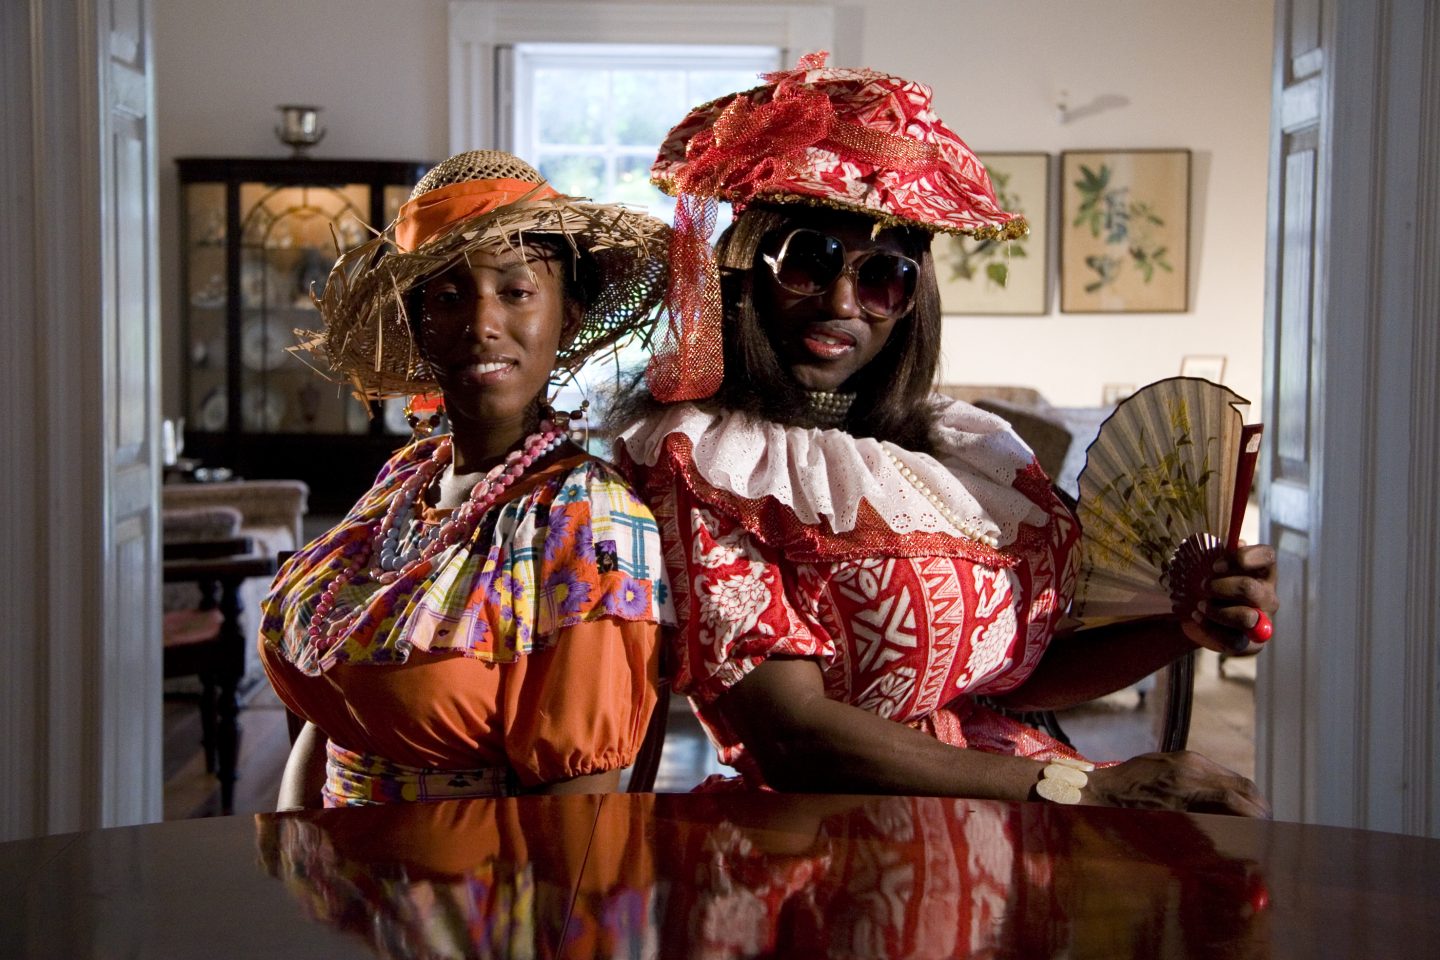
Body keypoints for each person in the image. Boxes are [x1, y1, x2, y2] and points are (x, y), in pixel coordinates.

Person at [611, 54, 1278, 814]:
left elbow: (1019, 668)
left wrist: (1185, 626)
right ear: (744, 270)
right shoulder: (704, 458)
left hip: (1010, 800)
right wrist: (1089, 786)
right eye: (810, 260)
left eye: (883, 275)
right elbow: (788, 735)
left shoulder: (961, 448)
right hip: (836, 839)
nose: (843, 300)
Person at [259, 150, 674, 808]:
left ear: (566, 317)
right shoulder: (403, 483)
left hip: (471, 900)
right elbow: (331, 711)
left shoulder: (584, 517)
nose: (482, 325)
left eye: (516, 291)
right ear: (419, 329)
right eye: (449, 296)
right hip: (332, 891)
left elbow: (578, 819)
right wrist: (293, 855)